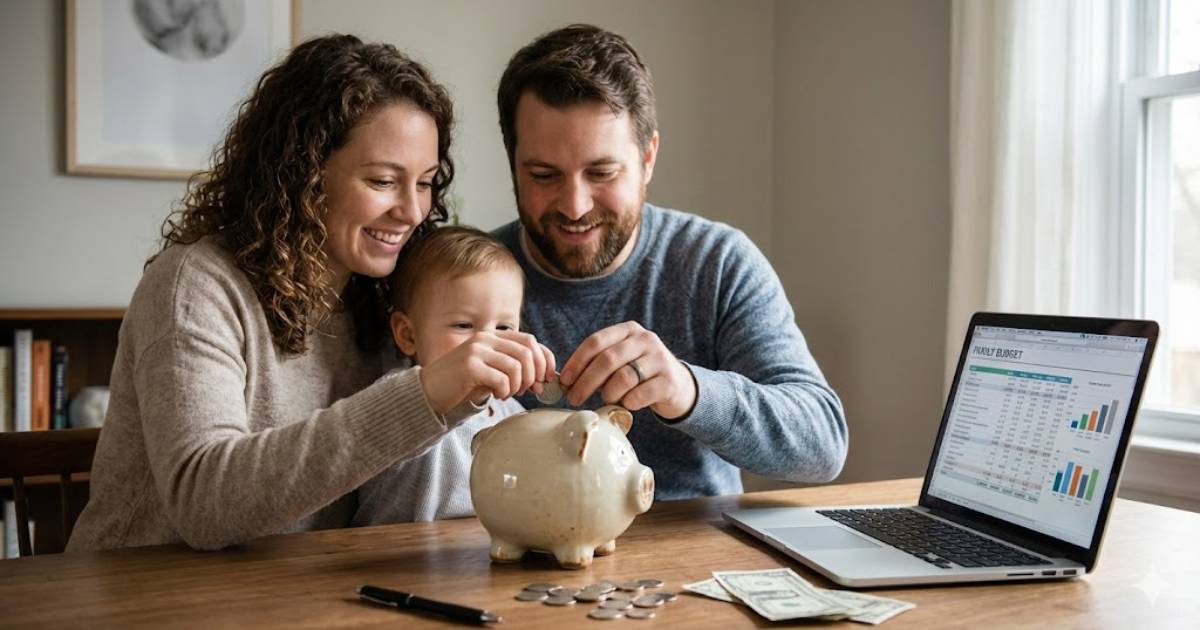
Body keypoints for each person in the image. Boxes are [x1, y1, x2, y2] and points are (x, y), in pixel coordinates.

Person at [67, 34, 552, 552]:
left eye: (425, 182)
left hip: (302, 587)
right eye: (382, 181)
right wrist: (425, 393)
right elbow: (202, 503)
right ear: (302, 173)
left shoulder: (391, 295)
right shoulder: (195, 285)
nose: (412, 212)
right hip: (143, 585)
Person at [492, 24, 849, 500]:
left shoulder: (716, 263)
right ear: (513, 162)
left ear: (648, 159)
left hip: (696, 544)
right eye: (543, 175)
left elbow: (822, 444)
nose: (575, 206)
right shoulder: (466, 278)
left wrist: (689, 391)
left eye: (602, 172)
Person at [353, 225, 540, 523]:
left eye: (504, 327)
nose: (487, 342)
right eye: (464, 325)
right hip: (394, 549)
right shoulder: (395, 398)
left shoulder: (510, 413)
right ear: (408, 335)